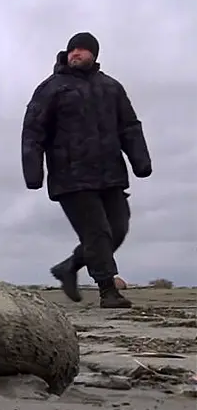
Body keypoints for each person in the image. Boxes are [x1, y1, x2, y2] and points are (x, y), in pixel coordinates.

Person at [22, 32, 152, 309]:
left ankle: (69, 266)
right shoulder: (51, 88)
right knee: (97, 232)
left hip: (110, 174)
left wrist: (140, 160)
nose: (75, 54)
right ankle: (108, 290)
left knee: (118, 228)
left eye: (81, 50)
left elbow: (129, 125)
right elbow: (33, 132)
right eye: (72, 50)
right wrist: (34, 172)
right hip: (71, 176)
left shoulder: (111, 87)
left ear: (94, 54)